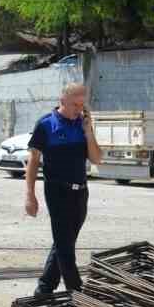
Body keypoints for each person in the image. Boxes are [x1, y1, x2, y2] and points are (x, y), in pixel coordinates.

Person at [24, 82, 102, 295]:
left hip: (81, 192)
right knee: (66, 249)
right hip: (57, 192)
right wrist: (30, 195)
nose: (78, 109)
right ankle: (76, 293)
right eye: (74, 105)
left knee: (63, 243)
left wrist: (88, 132)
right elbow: (33, 161)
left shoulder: (83, 124)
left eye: (81, 105)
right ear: (62, 101)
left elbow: (97, 159)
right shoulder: (46, 125)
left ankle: (44, 290)